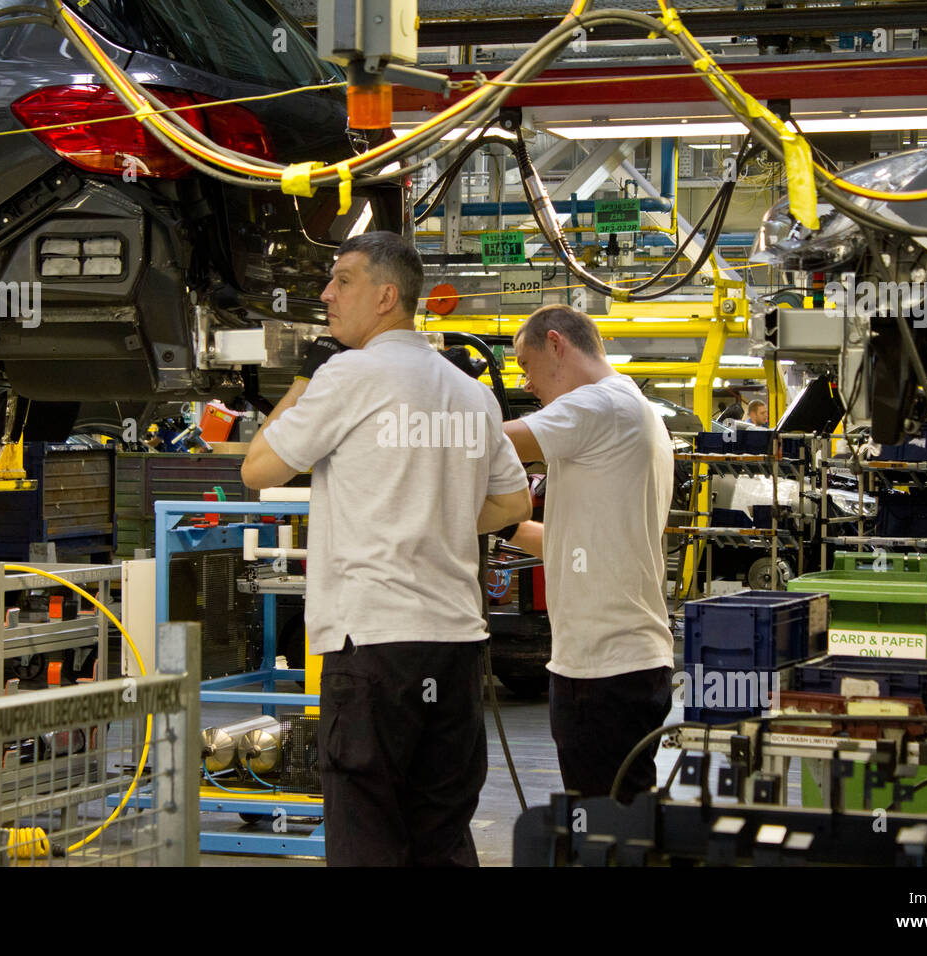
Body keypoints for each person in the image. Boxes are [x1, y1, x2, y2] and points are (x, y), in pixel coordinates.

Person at [241, 231, 531, 865]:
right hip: (454, 646)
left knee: (367, 830)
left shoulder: (347, 374)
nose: (326, 292)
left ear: (386, 296)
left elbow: (258, 468)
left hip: (372, 645)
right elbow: (513, 505)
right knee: (442, 831)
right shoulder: (470, 392)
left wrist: (302, 378)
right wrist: (440, 518)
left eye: (343, 279)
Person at [499, 304, 675, 800]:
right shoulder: (629, 412)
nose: (527, 383)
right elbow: (569, 541)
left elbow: (494, 442)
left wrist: (426, 418)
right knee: (619, 822)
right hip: (621, 663)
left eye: (526, 365)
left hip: (604, 669)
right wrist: (508, 525)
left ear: (556, 344)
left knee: (604, 830)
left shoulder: (601, 404)